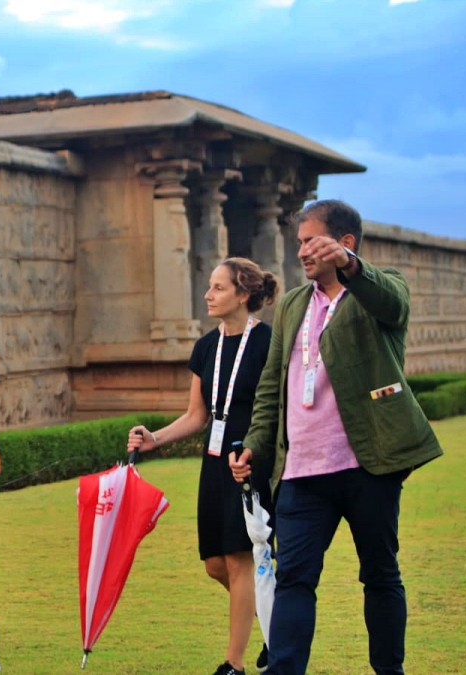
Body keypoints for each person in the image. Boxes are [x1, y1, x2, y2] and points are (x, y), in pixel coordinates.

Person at [230, 200, 443, 675]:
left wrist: (350, 268)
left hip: (368, 466)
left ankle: (390, 671)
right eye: (300, 240)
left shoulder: (377, 292)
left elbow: (395, 301)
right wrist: (253, 445)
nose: (302, 250)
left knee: (380, 575)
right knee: (294, 581)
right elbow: (272, 384)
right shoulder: (292, 304)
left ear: (344, 243)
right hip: (303, 472)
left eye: (312, 240)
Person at [128, 257, 279, 675]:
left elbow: (279, 410)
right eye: (209, 286)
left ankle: (234, 664)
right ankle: (276, 621)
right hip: (214, 463)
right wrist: (154, 438)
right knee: (215, 563)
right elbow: (198, 416)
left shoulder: (268, 341)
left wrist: (258, 452)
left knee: (239, 558)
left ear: (243, 295)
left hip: (250, 461)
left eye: (218, 288)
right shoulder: (206, 346)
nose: (208, 295)